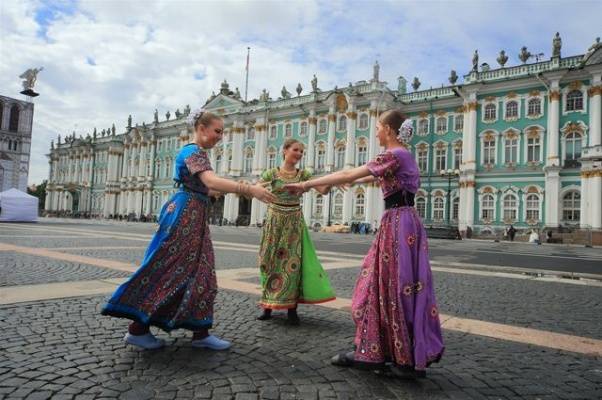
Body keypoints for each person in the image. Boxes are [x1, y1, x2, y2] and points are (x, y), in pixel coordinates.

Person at [285, 110, 444, 377]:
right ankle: (393, 350)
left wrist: (307, 184)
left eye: (379, 127)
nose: (377, 132)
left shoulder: (394, 154)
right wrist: (348, 181)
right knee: (394, 284)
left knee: (389, 285)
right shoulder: (403, 157)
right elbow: (369, 177)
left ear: (391, 131)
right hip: (404, 222)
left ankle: (390, 354)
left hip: (397, 224)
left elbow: (349, 172)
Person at [101, 110, 276, 350]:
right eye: (217, 131)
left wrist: (252, 186)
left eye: (222, 132)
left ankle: (199, 331)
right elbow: (211, 182)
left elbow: (210, 190)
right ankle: (138, 329)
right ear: (201, 128)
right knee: (168, 268)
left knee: (200, 272)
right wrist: (248, 189)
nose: (220, 137)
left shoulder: (197, 153)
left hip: (193, 214)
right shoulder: (192, 151)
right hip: (185, 217)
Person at [257, 138, 336, 325]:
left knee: (292, 264)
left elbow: (323, 190)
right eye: (296, 150)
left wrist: (333, 181)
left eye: (302, 151)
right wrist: (263, 193)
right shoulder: (271, 173)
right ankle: (267, 306)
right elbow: (256, 190)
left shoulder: (304, 174)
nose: (299, 154)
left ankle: (292, 309)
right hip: (274, 222)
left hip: (293, 222)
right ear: (284, 150)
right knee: (269, 261)